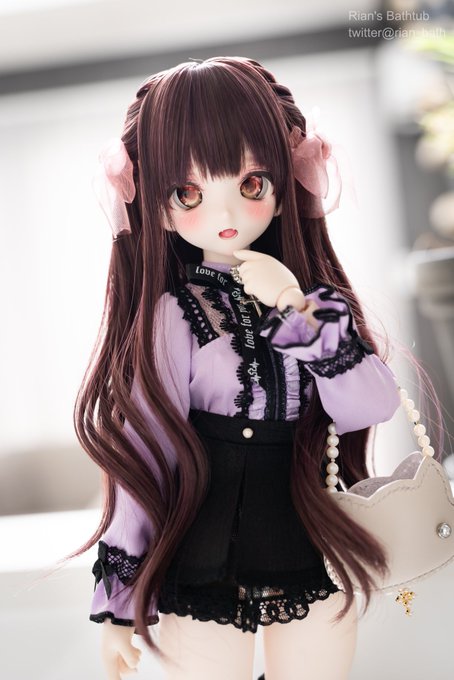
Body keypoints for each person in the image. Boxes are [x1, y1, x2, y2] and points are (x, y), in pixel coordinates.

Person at [74, 56, 400, 680]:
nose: (224, 214)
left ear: (283, 183)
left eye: (250, 184)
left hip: (308, 532)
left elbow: (368, 404)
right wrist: (118, 601)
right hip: (204, 542)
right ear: (158, 207)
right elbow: (144, 450)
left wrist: (294, 307)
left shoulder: (312, 303)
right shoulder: (175, 315)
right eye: (189, 194)